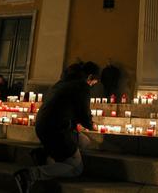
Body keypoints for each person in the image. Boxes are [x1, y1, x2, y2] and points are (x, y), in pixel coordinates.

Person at [13, 61, 100, 193]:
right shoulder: (82, 86)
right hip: (58, 129)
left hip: (43, 125)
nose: (92, 85)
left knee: (85, 141)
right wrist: (92, 125)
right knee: (76, 168)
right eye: (94, 83)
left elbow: (65, 107)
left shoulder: (61, 83)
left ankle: (44, 153)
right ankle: (29, 175)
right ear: (90, 77)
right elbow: (84, 115)